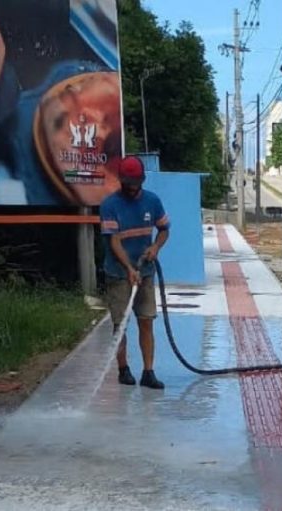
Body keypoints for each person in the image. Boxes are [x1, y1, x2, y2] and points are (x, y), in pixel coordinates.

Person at [100, 156, 170, 389]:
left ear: (142, 180)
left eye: (135, 183)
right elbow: (115, 242)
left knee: (146, 320)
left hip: (146, 272)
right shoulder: (110, 205)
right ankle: (123, 369)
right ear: (121, 180)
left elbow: (163, 230)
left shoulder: (153, 201)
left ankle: (148, 372)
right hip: (119, 275)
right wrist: (129, 268)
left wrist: (155, 247)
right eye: (127, 183)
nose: (131, 188)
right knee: (121, 324)